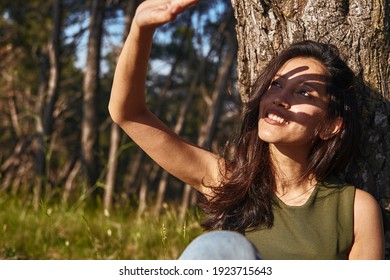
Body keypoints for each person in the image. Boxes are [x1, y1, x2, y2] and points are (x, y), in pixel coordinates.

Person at [108, 0, 384, 259]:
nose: (279, 97)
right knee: (218, 247)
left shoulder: (355, 209)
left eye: (304, 92)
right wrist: (140, 30)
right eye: (275, 85)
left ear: (330, 125)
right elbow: (129, 114)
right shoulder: (229, 182)